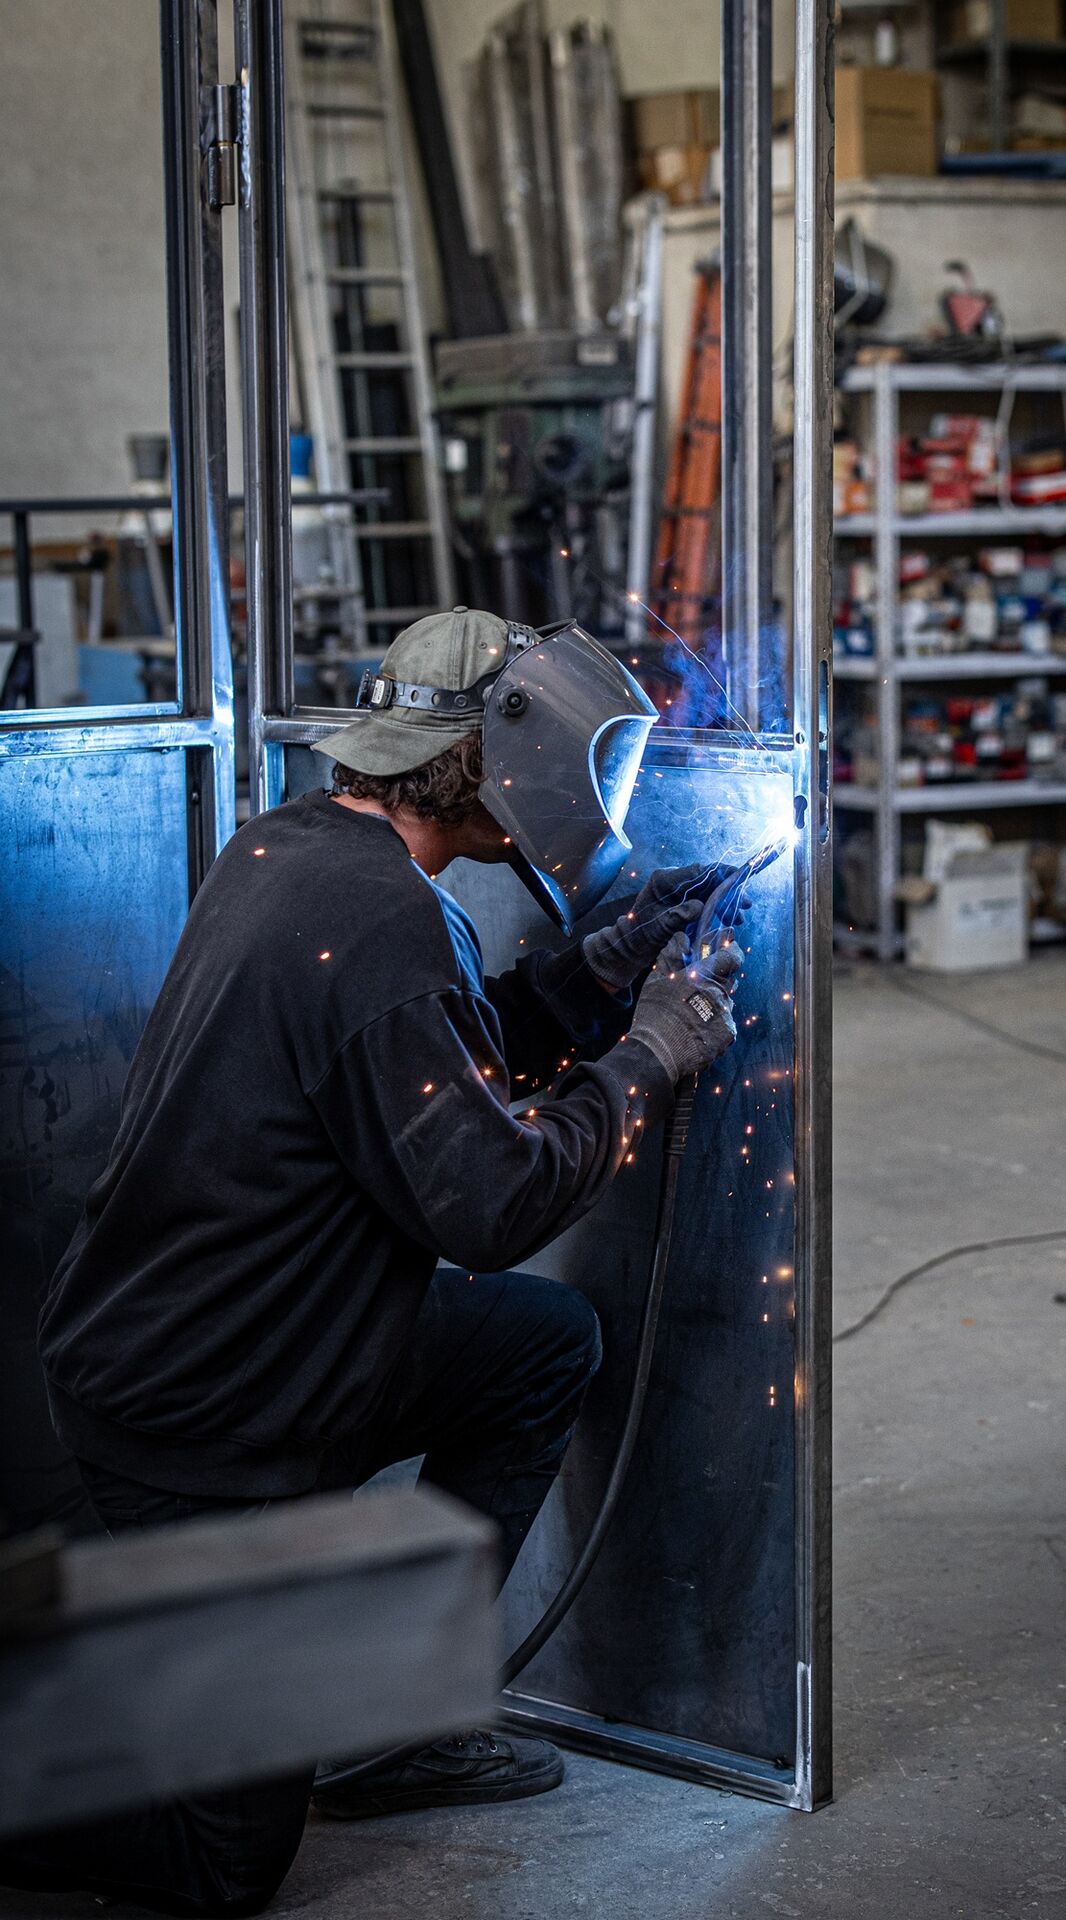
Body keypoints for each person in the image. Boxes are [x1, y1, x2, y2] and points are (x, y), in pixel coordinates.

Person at [6, 608, 744, 1917]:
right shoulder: (386, 920)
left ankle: (390, 1721)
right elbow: (490, 1204)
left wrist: (594, 976)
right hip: (206, 1413)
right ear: (498, 760)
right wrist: (649, 1056)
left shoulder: (296, 848)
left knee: (535, 1348)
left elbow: (422, 1061)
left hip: (262, 1344)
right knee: (225, 1866)